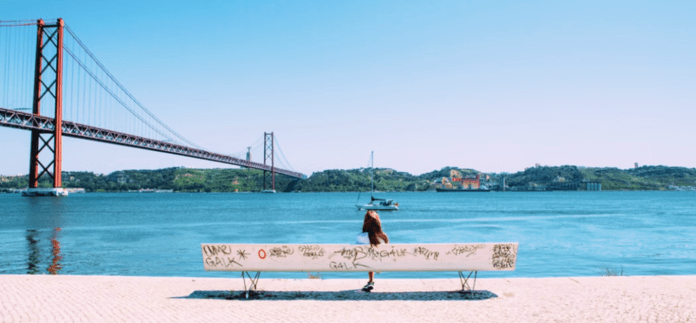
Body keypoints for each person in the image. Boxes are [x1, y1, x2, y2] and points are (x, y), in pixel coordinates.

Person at [360, 210, 389, 292]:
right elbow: (388, 247)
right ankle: (371, 280)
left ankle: (371, 281)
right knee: (373, 258)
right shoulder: (382, 235)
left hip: (364, 261)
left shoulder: (362, 236)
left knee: (369, 259)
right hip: (379, 260)